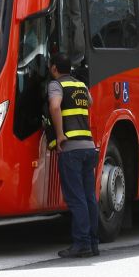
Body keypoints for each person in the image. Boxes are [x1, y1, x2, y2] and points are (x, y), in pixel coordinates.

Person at [46, 52, 100, 259]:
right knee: (89, 198)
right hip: (88, 146)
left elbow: (54, 106)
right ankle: (93, 243)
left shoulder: (56, 85)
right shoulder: (80, 85)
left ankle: (81, 244)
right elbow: (90, 103)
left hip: (72, 149)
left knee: (76, 199)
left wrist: (59, 134)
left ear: (53, 69)